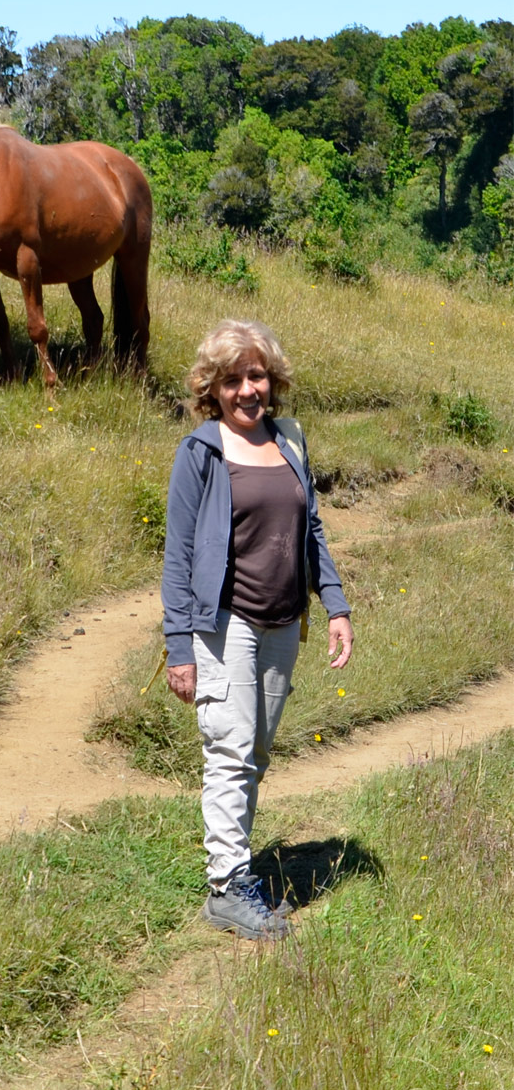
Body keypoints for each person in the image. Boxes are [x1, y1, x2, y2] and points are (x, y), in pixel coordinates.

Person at [161, 319, 353, 941]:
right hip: (225, 625)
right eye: (234, 378)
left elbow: (314, 529)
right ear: (212, 388)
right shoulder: (201, 452)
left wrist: (336, 604)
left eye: (257, 375)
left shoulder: (289, 442)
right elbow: (179, 555)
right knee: (230, 750)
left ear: (273, 381)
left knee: (257, 751)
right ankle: (228, 888)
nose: (248, 389)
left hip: (281, 624)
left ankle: (238, 870)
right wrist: (179, 647)